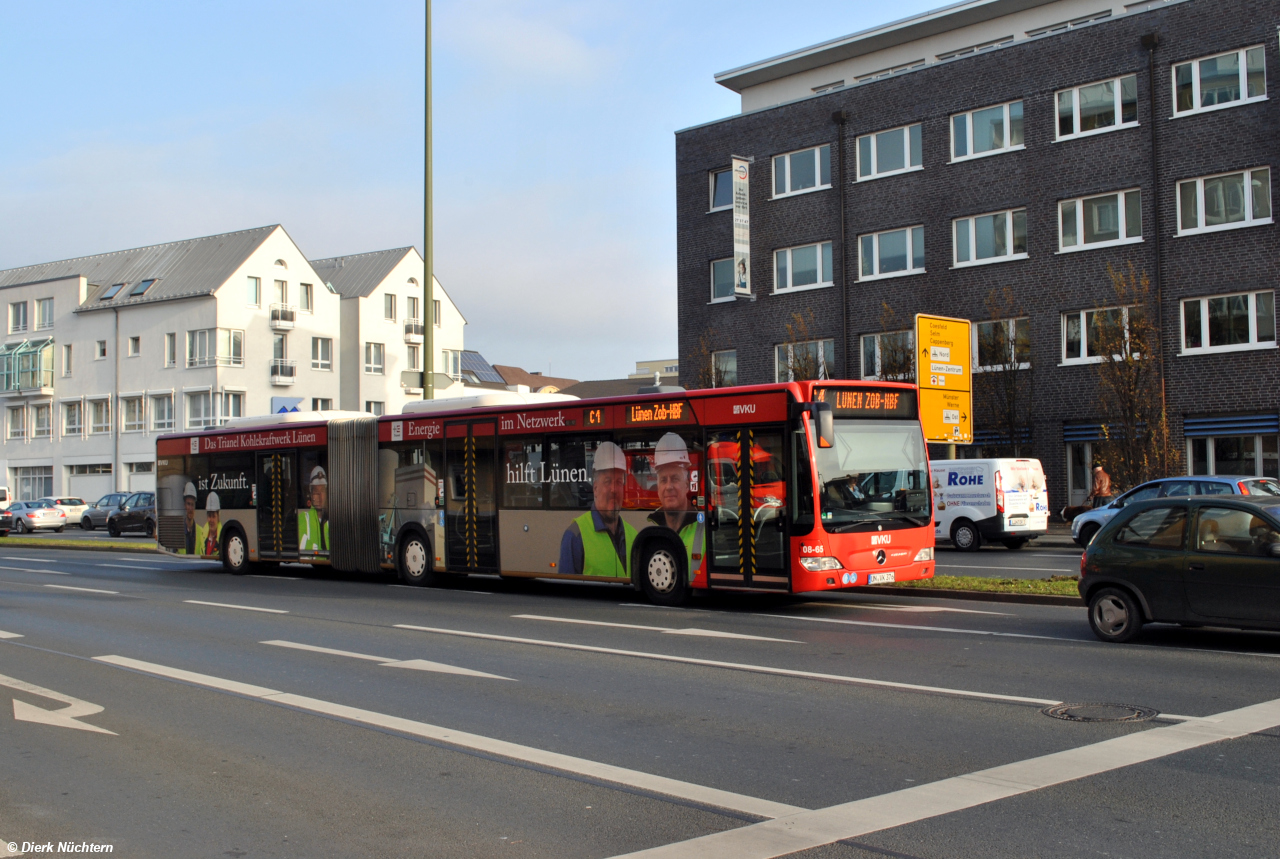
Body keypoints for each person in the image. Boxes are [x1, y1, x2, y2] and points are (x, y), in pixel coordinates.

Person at [558, 441, 635, 578]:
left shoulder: (634, 536)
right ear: (595, 488)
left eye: (618, 482)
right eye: (607, 481)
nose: (613, 490)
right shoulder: (575, 536)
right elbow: (566, 596)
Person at [646, 433, 703, 578]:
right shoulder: (648, 525)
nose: (669, 486)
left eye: (675, 479)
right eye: (663, 480)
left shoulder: (703, 526)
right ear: (658, 487)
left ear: (687, 484)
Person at [299, 465, 329, 552]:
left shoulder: (332, 518)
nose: (320, 496)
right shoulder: (303, 518)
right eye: (316, 491)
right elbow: (305, 552)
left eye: (322, 491)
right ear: (311, 494)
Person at [197, 492, 221, 557]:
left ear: (218, 516)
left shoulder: (222, 537)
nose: (211, 520)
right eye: (209, 516)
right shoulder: (202, 535)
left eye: (213, 516)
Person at [180, 481, 197, 554]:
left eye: (192, 505)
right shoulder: (179, 530)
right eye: (188, 504)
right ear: (184, 505)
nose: (190, 508)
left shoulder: (200, 531)